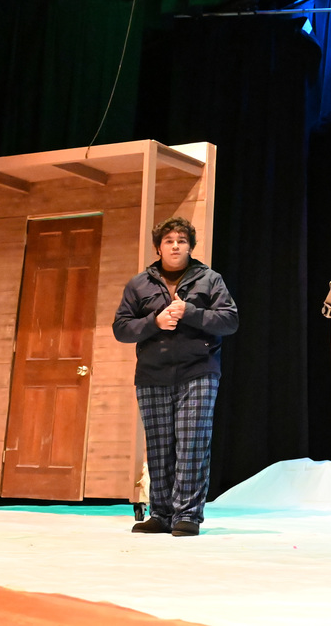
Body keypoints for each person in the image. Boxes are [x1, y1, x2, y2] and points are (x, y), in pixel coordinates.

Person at [113, 217, 238, 537]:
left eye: (182, 241)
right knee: (159, 446)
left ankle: (188, 514)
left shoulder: (209, 279)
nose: (175, 246)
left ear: (190, 247)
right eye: (169, 241)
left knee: (192, 444)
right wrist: (155, 321)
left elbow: (229, 321)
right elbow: (122, 328)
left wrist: (190, 313)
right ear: (158, 247)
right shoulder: (139, 284)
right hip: (152, 374)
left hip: (198, 371)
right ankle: (161, 513)